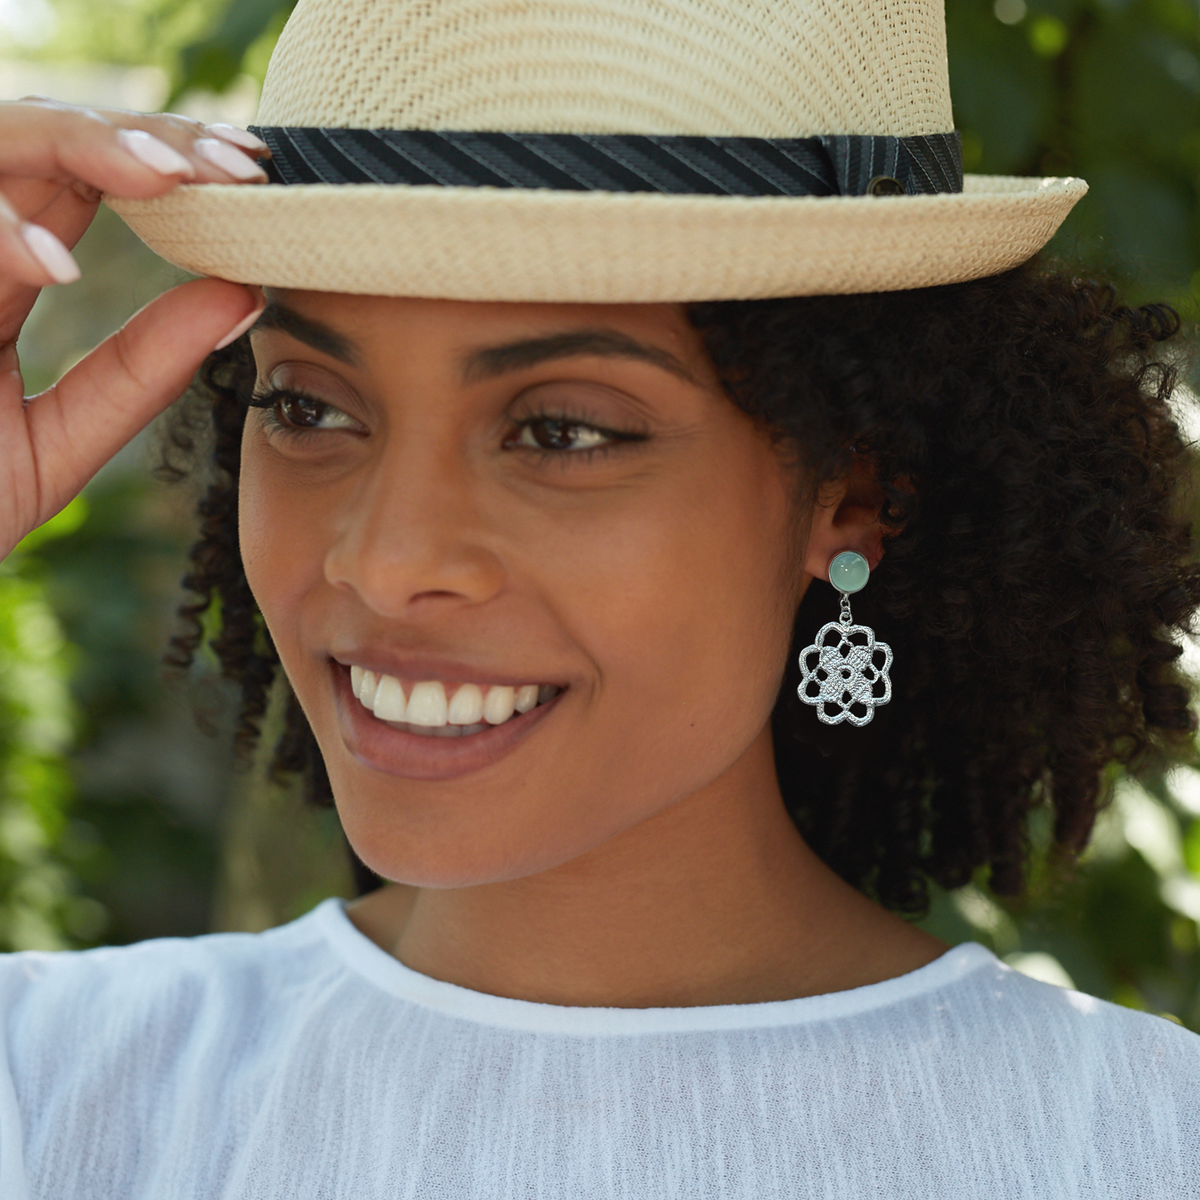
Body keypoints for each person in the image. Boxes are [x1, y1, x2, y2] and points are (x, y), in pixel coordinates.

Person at [2, 0, 1199, 1196]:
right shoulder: (56, 1087)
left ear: (852, 499)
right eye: (307, 407)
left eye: (561, 431)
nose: (385, 561)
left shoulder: (1135, 1144)